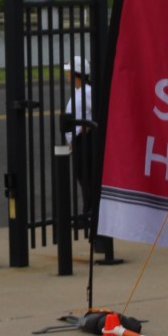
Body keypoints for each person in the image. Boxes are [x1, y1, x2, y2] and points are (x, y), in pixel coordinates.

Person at [62, 56, 96, 226]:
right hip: (77, 141)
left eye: (69, 71)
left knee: (86, 177)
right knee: (82, 177)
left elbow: (99, 111)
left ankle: (89, 215)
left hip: (85, 140)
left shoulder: (87, 92)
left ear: (76, 73)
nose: (67, 74)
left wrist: (87, 126)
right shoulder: (78, 91)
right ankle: (88, 213)